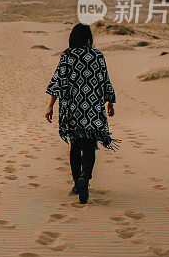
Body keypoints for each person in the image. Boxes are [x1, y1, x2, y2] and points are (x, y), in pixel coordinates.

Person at [45, 23, 118, 203]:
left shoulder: (67, 56)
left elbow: (58, 82)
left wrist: (50, 106)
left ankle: (77, 183)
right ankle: (85, 177)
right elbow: (105, 80)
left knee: (75, 145)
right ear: (88, 39)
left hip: (72, 109)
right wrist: (110, 102)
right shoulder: (98, 56)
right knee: (90, 145)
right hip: (93, 108)